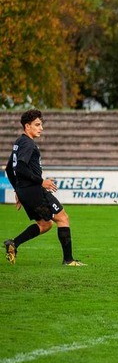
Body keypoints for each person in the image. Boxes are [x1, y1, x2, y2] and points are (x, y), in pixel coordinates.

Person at [4, 109, 85, 266]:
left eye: (41, 124)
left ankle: (13, 243)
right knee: (63, 218)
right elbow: (20, 167)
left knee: (45, 224)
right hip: (34, 190)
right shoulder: (28, 143)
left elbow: (9, 168)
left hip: (25, 190)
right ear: (27, 126)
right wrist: (40, 181)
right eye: (37, 124)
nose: (41, 128)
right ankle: (68, 260)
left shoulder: (19, 142)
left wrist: (18, 191)